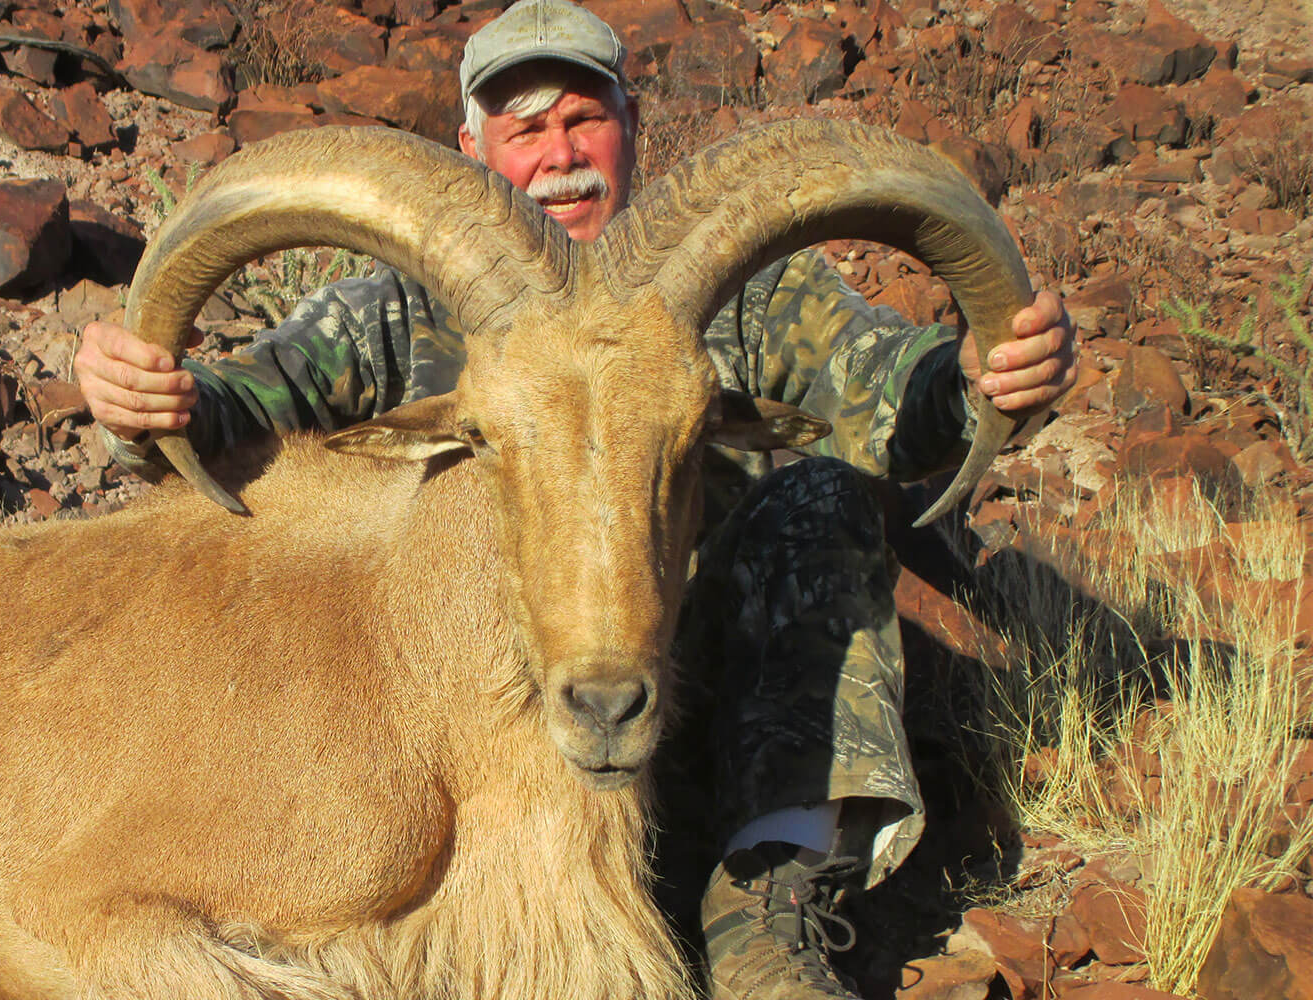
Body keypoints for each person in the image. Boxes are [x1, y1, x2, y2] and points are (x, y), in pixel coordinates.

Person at [72, 2, 1078, 997]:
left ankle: (766, 908)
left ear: (631, 124)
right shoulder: (398, 310)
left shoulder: (751, 292)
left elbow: (897, 398)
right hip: (504, 743)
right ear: (471, 147)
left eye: (583, 117)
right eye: (524, 128)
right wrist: (151, 401)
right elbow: (244, 414)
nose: (560, 153)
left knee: (824, 498)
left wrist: (981, 376)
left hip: (711, 710)